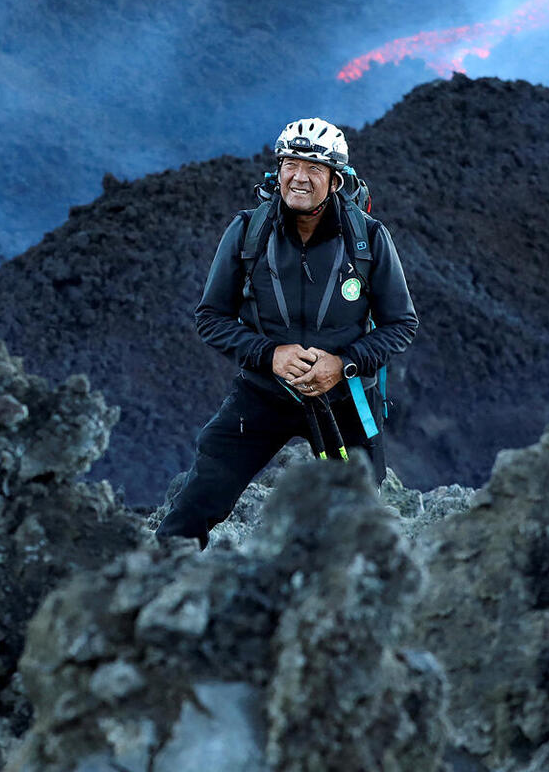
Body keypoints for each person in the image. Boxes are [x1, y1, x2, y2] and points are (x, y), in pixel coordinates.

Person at [156, 118, 418, 542]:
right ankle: (157, 588)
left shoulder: (368, 238)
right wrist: (269, 355)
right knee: (194, 508)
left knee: (357, 527)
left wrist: (343, 364)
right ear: (276, 170)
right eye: (290, 164)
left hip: (345, 399)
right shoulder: (247, 231)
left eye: (314, 168)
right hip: (264, 394)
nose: (299, 177)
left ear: (336, 180)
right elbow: (211, 317)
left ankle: (350, 606)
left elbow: (402, 324)